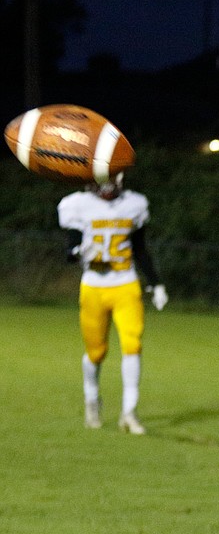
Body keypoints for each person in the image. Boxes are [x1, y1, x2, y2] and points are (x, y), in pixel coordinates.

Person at [57, 173, 168, 435]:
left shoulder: (134, 204)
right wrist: (77, 252)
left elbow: (140, 249)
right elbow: (70, 251)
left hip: (125, 283)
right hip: (94, 286)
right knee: (96, 352)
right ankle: (92, 398)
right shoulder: (78, 204)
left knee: (133, 344)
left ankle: (129, 412)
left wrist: (156, 282)